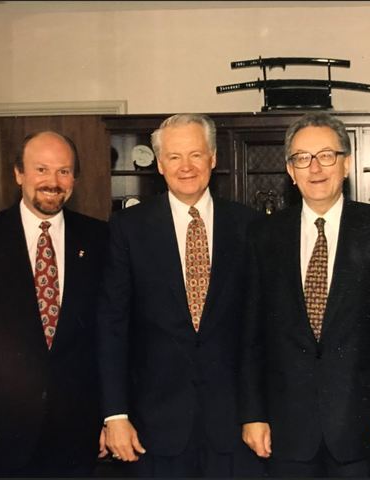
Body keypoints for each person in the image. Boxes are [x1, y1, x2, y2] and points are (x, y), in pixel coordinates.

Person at [239, 112, 370, 477]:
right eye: (302, 158)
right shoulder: (262, 236)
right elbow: (251, 336)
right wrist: (253, 414)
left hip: (365, 431)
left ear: (346, 163)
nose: (315, 168)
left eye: (326, 155)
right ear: (290, 170)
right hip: (286, 433)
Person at [98, 113, 262, 477]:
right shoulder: (128, 229)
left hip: (234, 428)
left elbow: (259, 330)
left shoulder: (249, 226)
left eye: (196, 155)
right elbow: (112, 326)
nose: (186, 167)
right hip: (155, 428)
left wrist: (258, 413)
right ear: (159, 164)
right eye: (174, 157)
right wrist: (116, 414)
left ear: (214, 158)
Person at [0, 131, 108, 476]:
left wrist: (111, 416)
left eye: (64, 171)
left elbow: (110, 336)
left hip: (78, 432)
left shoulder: (100, 238)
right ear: (18, 173)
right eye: (41, 169)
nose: (53, 181)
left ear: (75, 179)